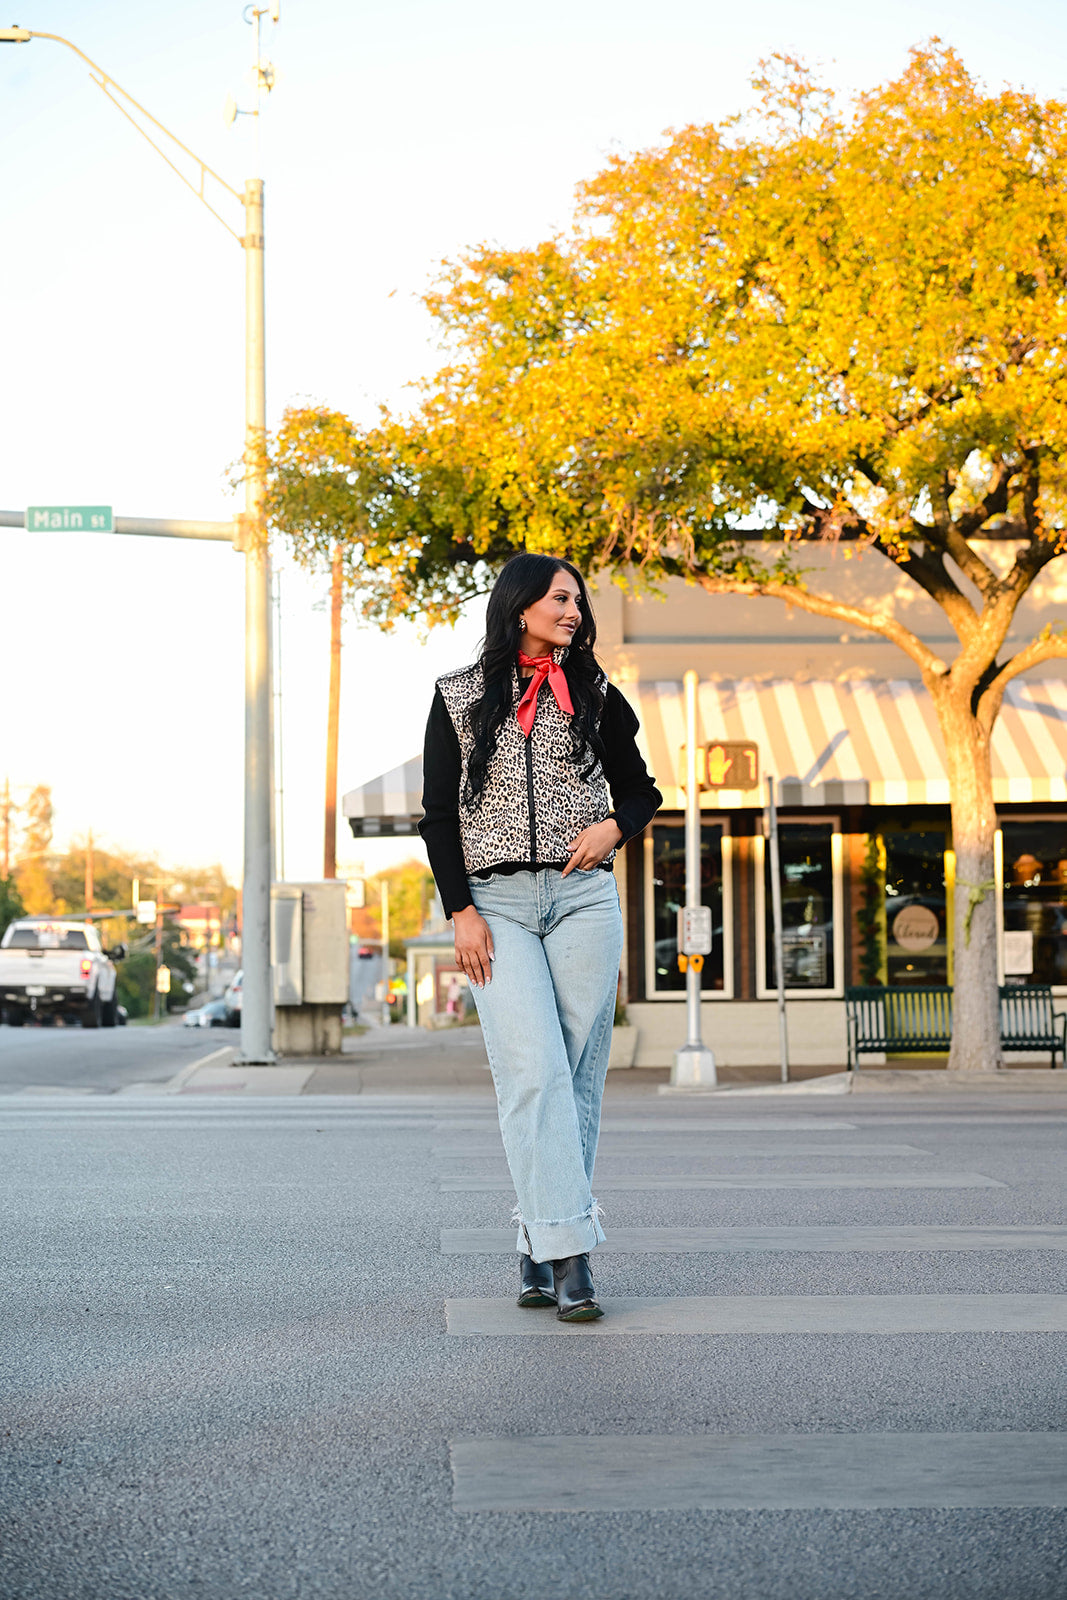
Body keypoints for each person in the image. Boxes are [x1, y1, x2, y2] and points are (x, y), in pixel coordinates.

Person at [419, 552, 661, 1321]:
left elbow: (641, 789)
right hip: (497, 907)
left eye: (578, 603)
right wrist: (460, 910)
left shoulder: (594, 694)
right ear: (520, 605)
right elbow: (437, 814)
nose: (573, 612)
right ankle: (573, 1257)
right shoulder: (457, 697)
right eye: (560, 599)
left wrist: (612, 829)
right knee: (533, 1071)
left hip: (583, 899)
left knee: (576, 1078)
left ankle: (541, 1238)